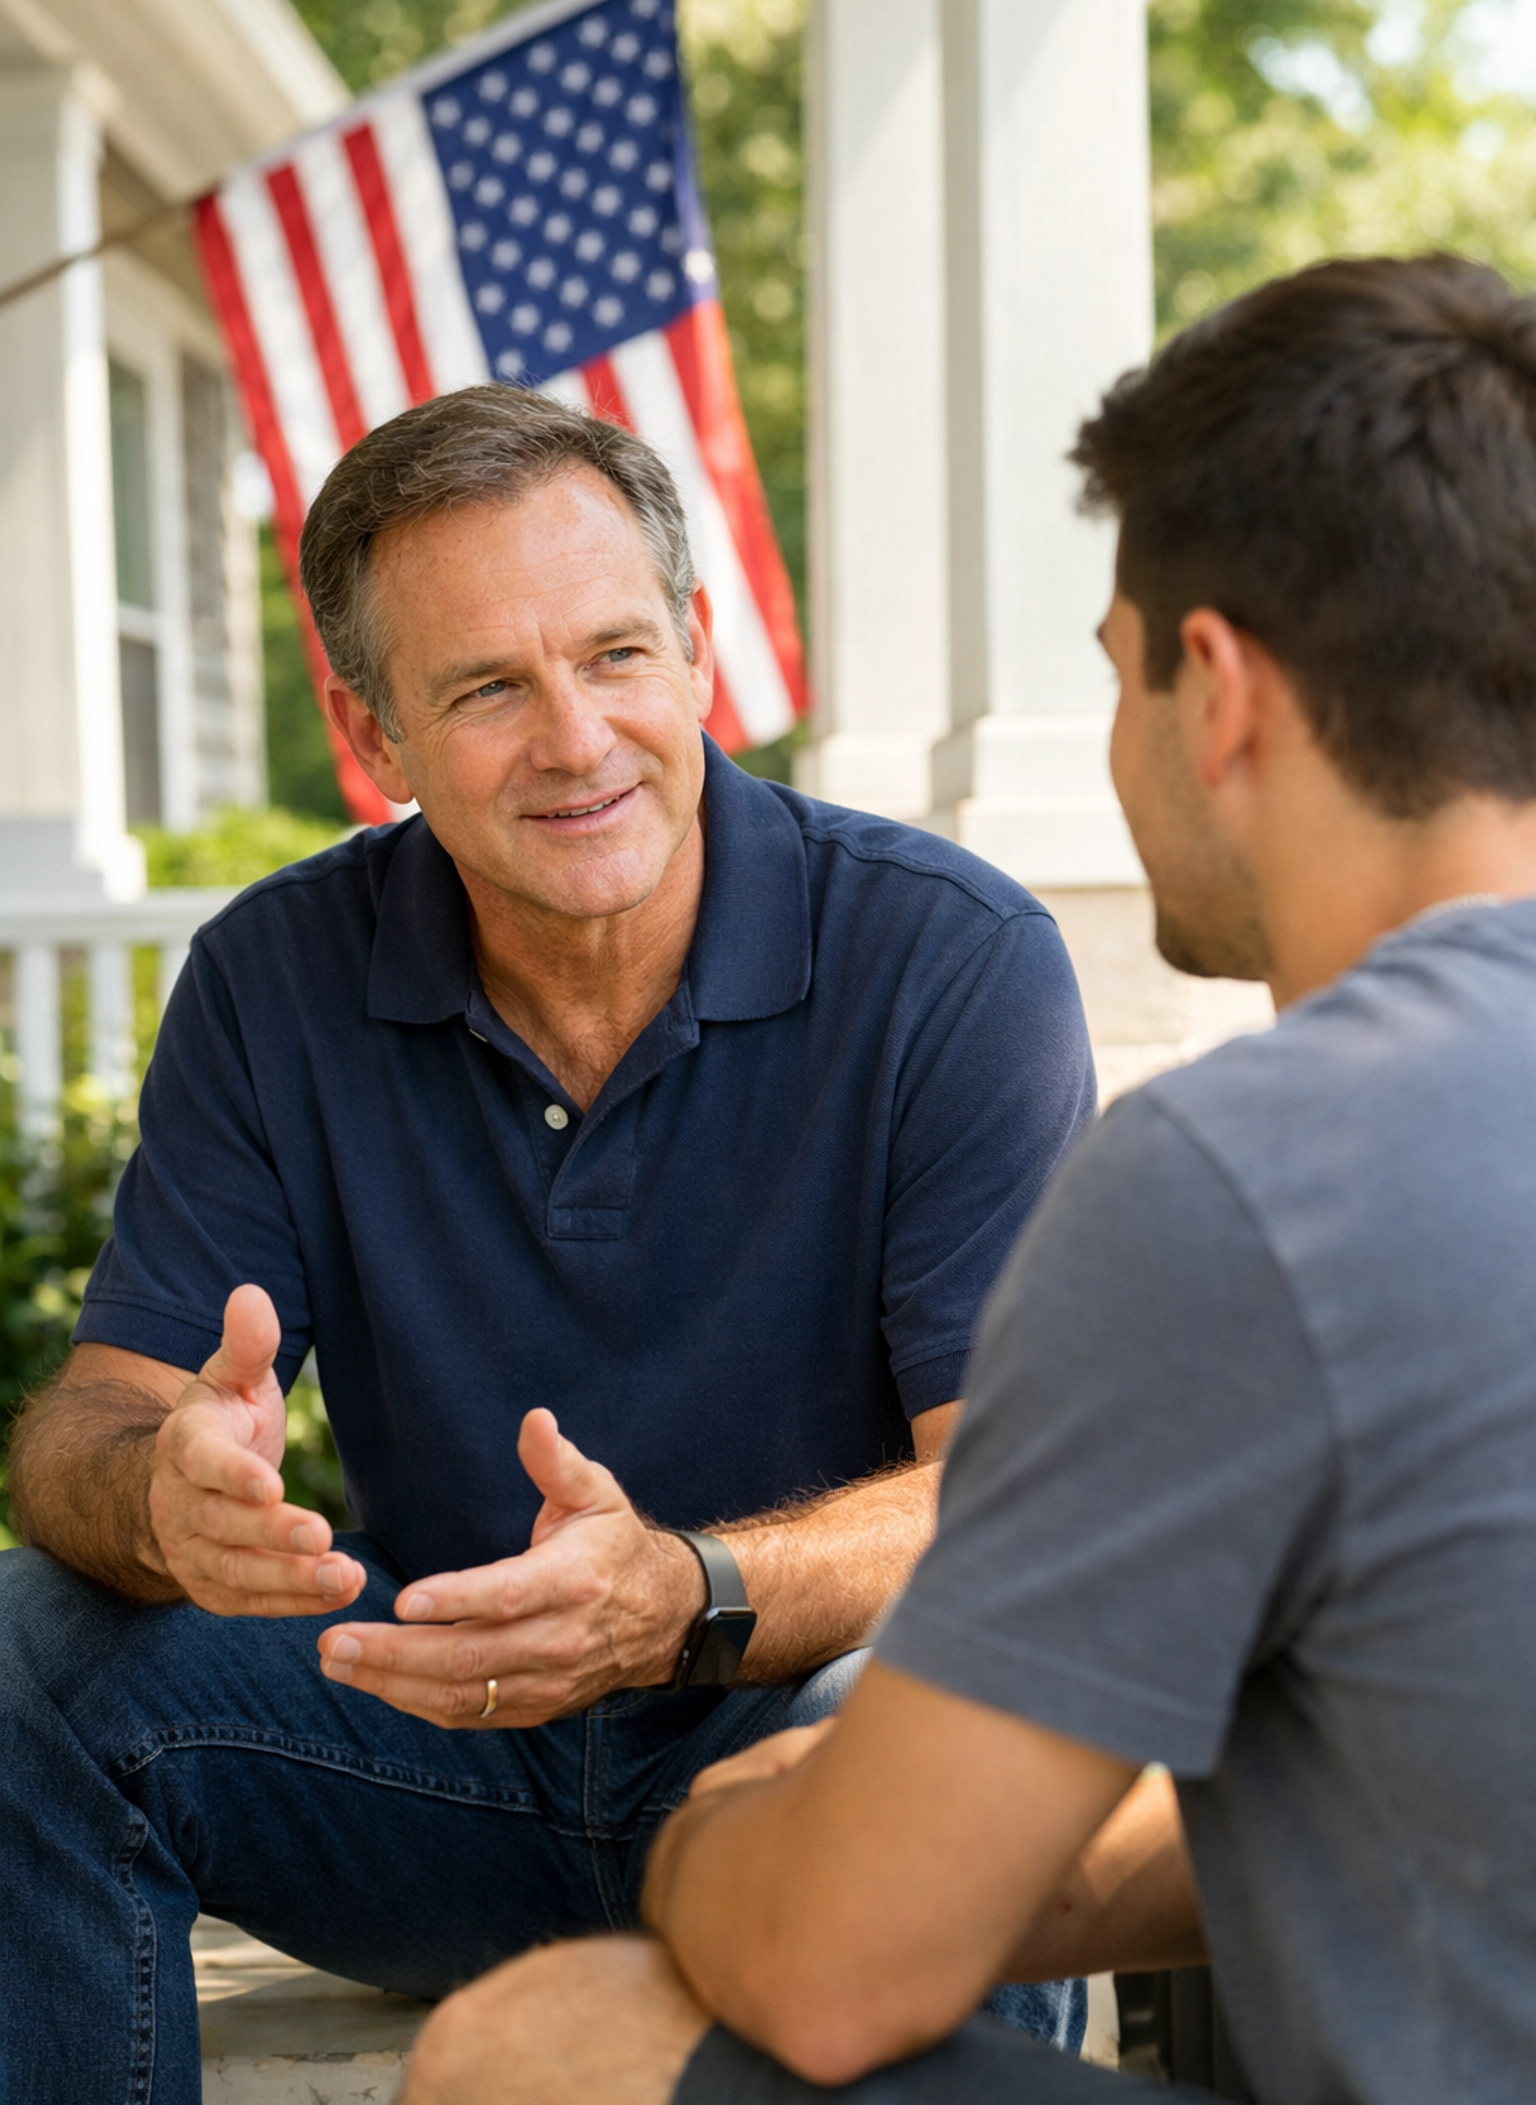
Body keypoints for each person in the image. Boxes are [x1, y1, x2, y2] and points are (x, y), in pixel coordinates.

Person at [398, 251, 1536, 2105]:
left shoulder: (1257, 1181)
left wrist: (717, 1840)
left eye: (1115, 676)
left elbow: (840, 1978)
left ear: (1220, 694)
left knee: (543, 2041)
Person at [0, 386, 1095, 2105]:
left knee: (907, 1724)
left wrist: (685, 1594)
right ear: (377, 739)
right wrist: (157, 1493)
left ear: (700, 650)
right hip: (425, 1753)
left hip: (778, 1765)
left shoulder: (948, 962)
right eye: (490, 688)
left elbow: (1022, 1504)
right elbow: (86, 1426)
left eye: (614, 655)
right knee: (21, 1651)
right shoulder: (275, 979)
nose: (577, 738)